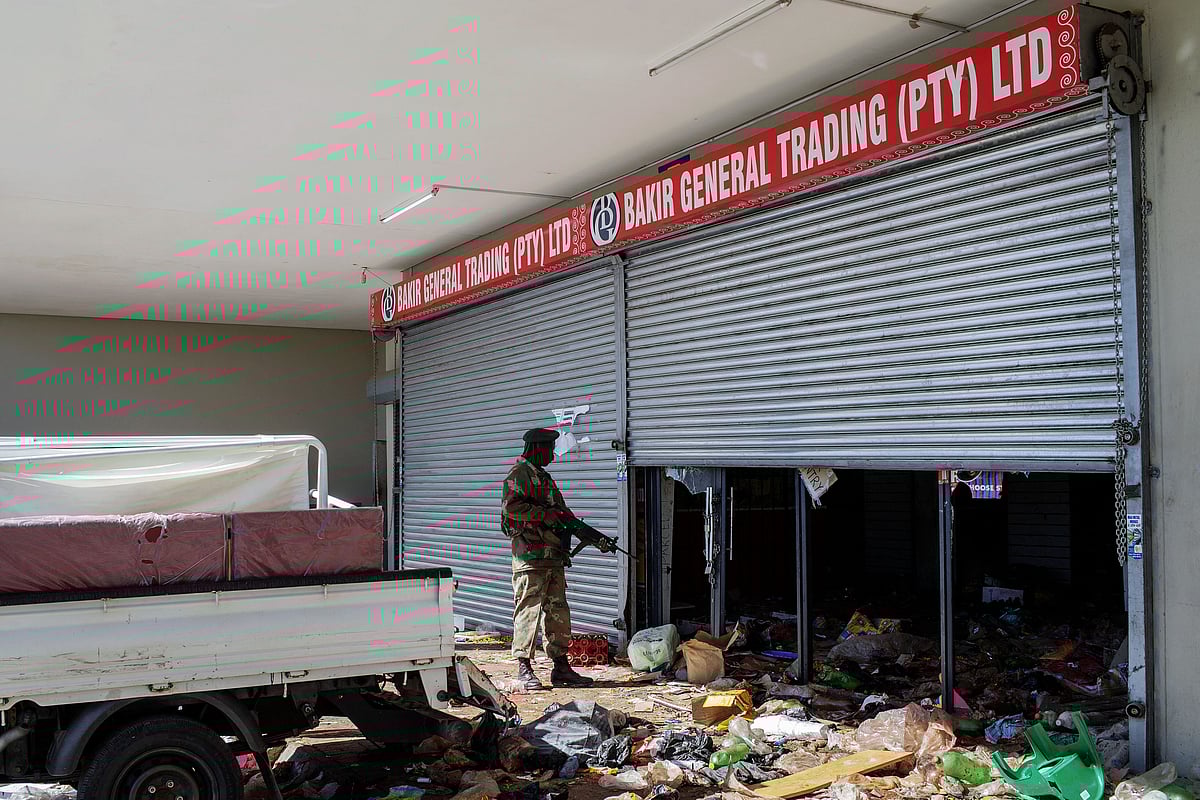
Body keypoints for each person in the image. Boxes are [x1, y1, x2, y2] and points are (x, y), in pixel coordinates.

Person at [501, 427, 595, 690]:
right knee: (528, 610)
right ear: (537, 449)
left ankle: (561, 668)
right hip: (530, 557)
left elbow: (560, 512)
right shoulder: (519, 475)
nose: (553, 455)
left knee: (557, 612)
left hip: (552, 557)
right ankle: (524, 669)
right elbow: (511, 510)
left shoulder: (543, 477)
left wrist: (579, 529)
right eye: (550, 450)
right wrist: (546, 516)